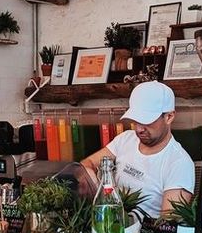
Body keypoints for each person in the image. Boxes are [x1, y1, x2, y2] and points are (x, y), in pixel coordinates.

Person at [81, 81, 194, 218]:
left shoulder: (179, 163)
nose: (139, 129)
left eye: (147, 121)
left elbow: (168, 225)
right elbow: (87, 165)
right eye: (136, 120)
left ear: (169, 117)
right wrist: (98, 189)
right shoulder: (125, 139)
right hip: (109, 225)